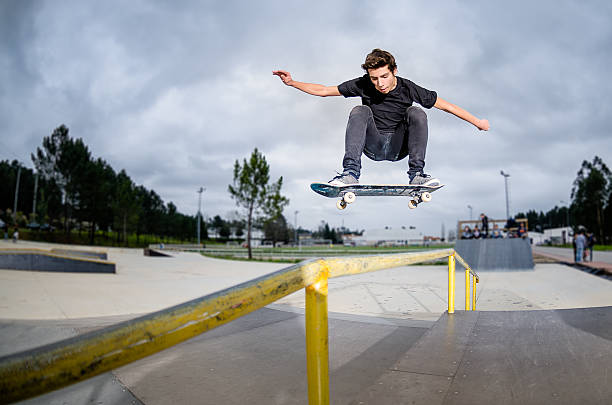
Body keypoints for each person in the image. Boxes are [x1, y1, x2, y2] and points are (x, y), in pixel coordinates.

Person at [273, 49, 489, 186]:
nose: (380, 83)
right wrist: (293, 82)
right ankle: (350, 174)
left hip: (398, 148)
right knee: (360, 110)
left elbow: (447, 106)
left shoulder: (408, 88)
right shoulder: (363, 84)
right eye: (374, 78)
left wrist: (477, 122)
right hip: (373, 146)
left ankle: (417, 174)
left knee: (417, 112)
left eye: (384, 76)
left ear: (394, 70)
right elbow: (323, 90)